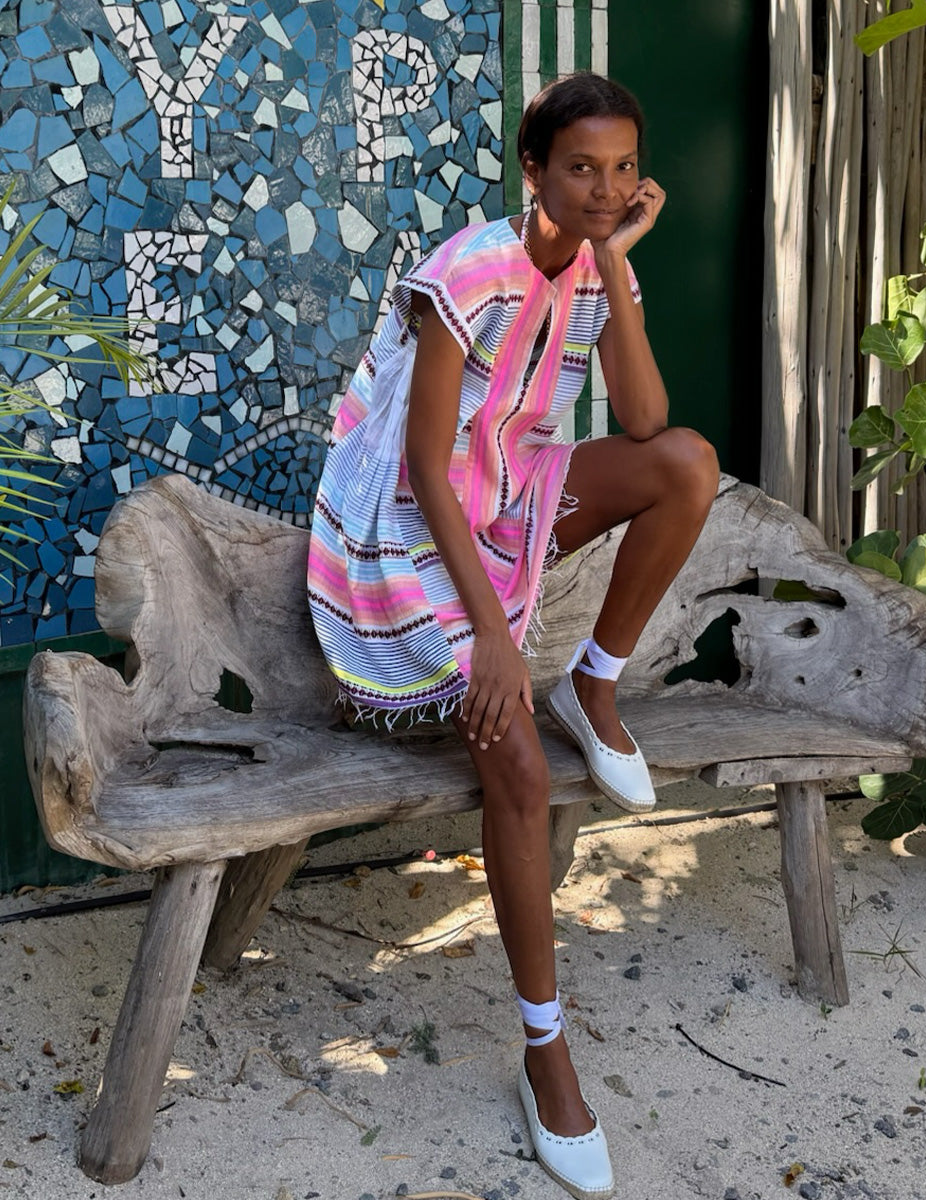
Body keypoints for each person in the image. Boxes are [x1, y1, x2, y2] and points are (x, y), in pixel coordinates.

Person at [307, 72, 719, 1200]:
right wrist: (493, 640)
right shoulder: (464, 276)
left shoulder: (594, 264)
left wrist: (620, 264)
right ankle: (547, 1052)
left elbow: (643, 420)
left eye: (625, 169)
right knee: (521, 776)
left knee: (686, 462)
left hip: (508, 497)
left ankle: (596, 682)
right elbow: (419, 472)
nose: (606, 188)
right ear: (531, 170)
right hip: (402, 535)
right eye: (580, 168)